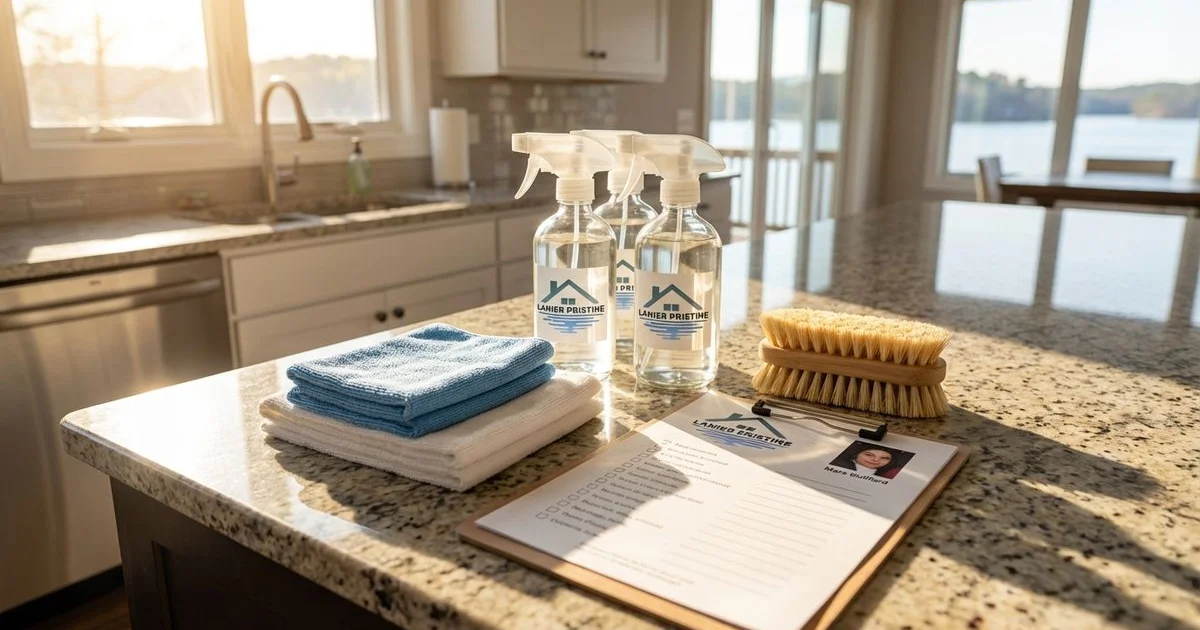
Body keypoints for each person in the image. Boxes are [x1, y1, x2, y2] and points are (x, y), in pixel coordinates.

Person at [829, 442, 909, 479]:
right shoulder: (837, 464)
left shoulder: (887, 474)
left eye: (884, 458)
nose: (875, 460)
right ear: (856, 454)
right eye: (869, 455)